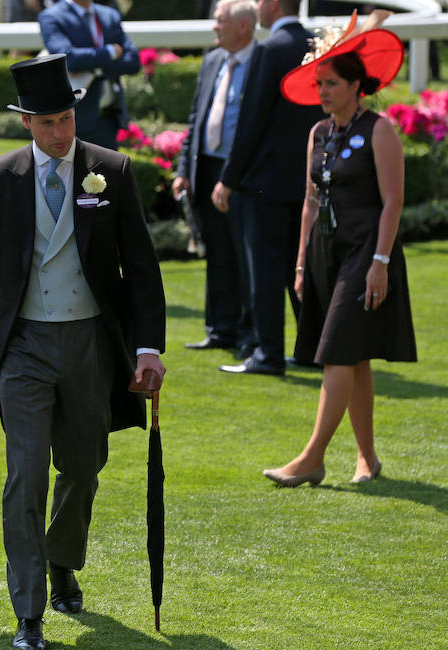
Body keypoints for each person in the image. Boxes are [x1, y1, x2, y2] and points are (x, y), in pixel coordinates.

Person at [0, 54, 166, 650]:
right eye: (47, 122)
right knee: (25, 475)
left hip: (89, 345)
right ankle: (28, 611)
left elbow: (142, 266)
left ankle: (61, 559)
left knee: (82, 468)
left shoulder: (112, 170)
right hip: (23, 345)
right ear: (25, 122)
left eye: (66, 119)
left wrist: (148, 348)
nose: (60, 132)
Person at [263, 14, 416, 486]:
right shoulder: (318, 133)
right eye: (319, 83)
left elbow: (393, 202)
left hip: (366, 252)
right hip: (325, 254)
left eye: (331, 83)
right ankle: (367, 459)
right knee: (354, 355)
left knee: (336, 352)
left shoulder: (380, 130)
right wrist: (301, 264)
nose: (323, 91)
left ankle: (312, 458)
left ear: (355, 86)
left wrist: (380, 262)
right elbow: (311, 203)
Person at [212, 0, 324, 375]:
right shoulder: (317, 44)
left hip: (267, 182)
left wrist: (228, 178)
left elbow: (251, 119)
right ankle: (311, 351)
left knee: (265, 271)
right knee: (302, 266)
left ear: (274, 5)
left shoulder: (269, 50)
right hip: (307, 178)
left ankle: (268, 354)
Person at [173, 0, 256, 353]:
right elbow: (196, 121)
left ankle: (250, 336)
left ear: (243, 26)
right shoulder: (212, 61)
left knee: (245, 256)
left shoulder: (261, 63)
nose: (214, 27)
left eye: (220, 21)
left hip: (243, 174)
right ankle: (220, 330)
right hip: (207, 170)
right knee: (218, 252)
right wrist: (183, 171)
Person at [38, 0, 140, 150]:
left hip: (108, 120)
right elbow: (67, 59)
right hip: (73, 119)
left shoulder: (109, 15)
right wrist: (110, 52)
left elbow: (133, 62)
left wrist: (93, 68)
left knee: (109, 165)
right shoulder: (51, 16)